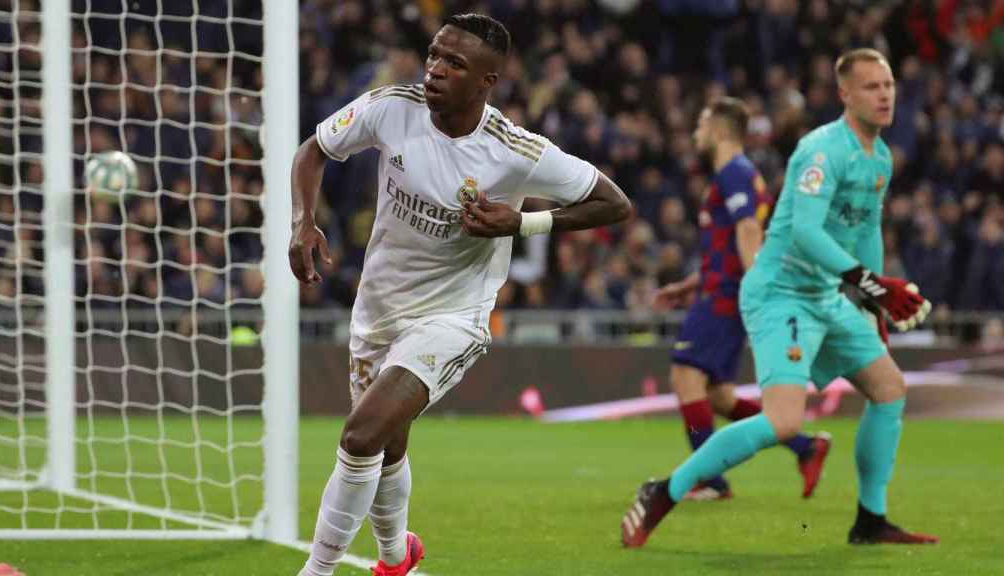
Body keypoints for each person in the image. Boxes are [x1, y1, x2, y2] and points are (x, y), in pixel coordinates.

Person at [289, 14, 632, 576]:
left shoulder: (514, 149)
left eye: (455, 63)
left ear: (487, 81)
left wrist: (522, 225)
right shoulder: (391, 107)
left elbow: (615, 202)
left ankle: (317, 570)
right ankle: (397, 559)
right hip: (378, 311)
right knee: (387, 445)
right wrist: (303, 223)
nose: (435, 70)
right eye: (434, 55)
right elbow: (313, 150)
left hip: (453, 318)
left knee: (361, 435)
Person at [620, 48, 937, 548]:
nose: (884, 95)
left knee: (889, 388)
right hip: (780, 294)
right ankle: (663, 491)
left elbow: (867, 228)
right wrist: (873, 284)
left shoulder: (879, 158)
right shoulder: (820, 150)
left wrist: (872, 301)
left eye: (889, 85)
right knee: (784, 419)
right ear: (845, 95)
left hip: (827, 294)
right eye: (872, 86)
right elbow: (807, 233)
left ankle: (870, 521)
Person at [653, 98, 831, 502]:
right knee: (718, 395)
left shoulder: (734, 173)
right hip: (718, 288)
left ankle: (708, 479)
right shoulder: (735, 176)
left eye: (700, 124)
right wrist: (690, 284)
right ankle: (805, 447)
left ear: (717, 129)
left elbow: (750, 231)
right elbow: (731, 245)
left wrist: (755, 288)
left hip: (725, 296)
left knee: (685, 376)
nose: (696, 133)